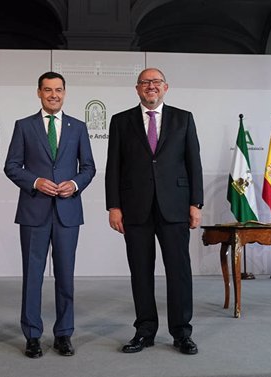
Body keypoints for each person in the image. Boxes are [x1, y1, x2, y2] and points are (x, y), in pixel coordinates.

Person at [105, 68, 203, 355]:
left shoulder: (183, 118)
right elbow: (114, 167)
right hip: (135, 209)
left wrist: (195, 204)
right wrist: (114, 206)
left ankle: (182, 333)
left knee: (179, 272)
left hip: (174, 207)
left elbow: (193, 162)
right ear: (137, 89)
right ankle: (145, 331)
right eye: (146, 83)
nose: (151, 87)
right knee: (141, 272)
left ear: (166, 87)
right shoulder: (121, 121)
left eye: (156, 82)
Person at [4, 71, 96, 358]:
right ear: (39, 92)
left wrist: (75, 184)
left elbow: (89, 167)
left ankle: (63, 334)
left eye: (58, 90)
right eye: (47, 90)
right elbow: (12, 166)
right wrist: (35, 182)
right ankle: (32, 335)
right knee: (33, 276)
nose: (53, 94)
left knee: (65, 276)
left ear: (65, 93)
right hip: (34, 211)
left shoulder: (78, 127)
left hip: (68, 212)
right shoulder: (24, 126)